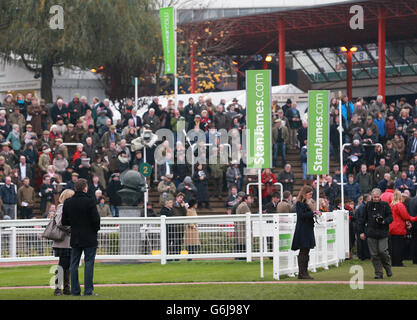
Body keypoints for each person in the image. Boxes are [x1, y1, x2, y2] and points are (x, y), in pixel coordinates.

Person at [62, 178, 101, 296]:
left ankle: (75, 291)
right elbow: (96, 219)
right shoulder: (90, 201)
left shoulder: (68, 202)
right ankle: (88, 290)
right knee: (89, 263)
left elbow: (64, 221)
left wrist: (75, 224)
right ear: (85, 188)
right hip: (89, 236)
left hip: (76, 236)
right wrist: (95, 229)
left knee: (73, 264)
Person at [358, 188, 393, 279]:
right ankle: (378, 272)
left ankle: (387, 267)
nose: (376, 199)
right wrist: (361, 232)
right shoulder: (368, 205)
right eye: (374, 197)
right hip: (371, 233)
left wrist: (384, 221)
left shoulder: (385, 205)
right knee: (374, 254)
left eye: (377, 197)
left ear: (380, 196)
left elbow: (390, 217)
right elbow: (362, 219)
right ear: (371, 196)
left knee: (382, 251)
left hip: (383, 233)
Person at [291, 185, 321, 280]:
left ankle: (304, 272)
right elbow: (301, 215)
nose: (310, 196)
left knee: (306, 251)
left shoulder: (307, 203)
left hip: (307, 229)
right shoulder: (299, 203)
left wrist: (313, 213)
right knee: (303, 251)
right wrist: (313, 213)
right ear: (305, 194)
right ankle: (302, 272)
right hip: (302, 230)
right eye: (309, 194)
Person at [51, 189, 75, 296]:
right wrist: (71, 228)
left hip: (68, 241)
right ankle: (58, 288)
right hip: (63, 241)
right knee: (63, 264)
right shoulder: (61, 207)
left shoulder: (68, 207)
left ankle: (66, 288)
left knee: (67, 265)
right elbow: (60, 222)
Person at [389, 190, 417, 267]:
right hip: (399, 228)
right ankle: (398, 262)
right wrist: (415, 218)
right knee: (399, 247)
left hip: (392, 228)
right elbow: (406, 216)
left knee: (393, 246)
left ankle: (393, 262)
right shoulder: (400, 205)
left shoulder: (391, 205)